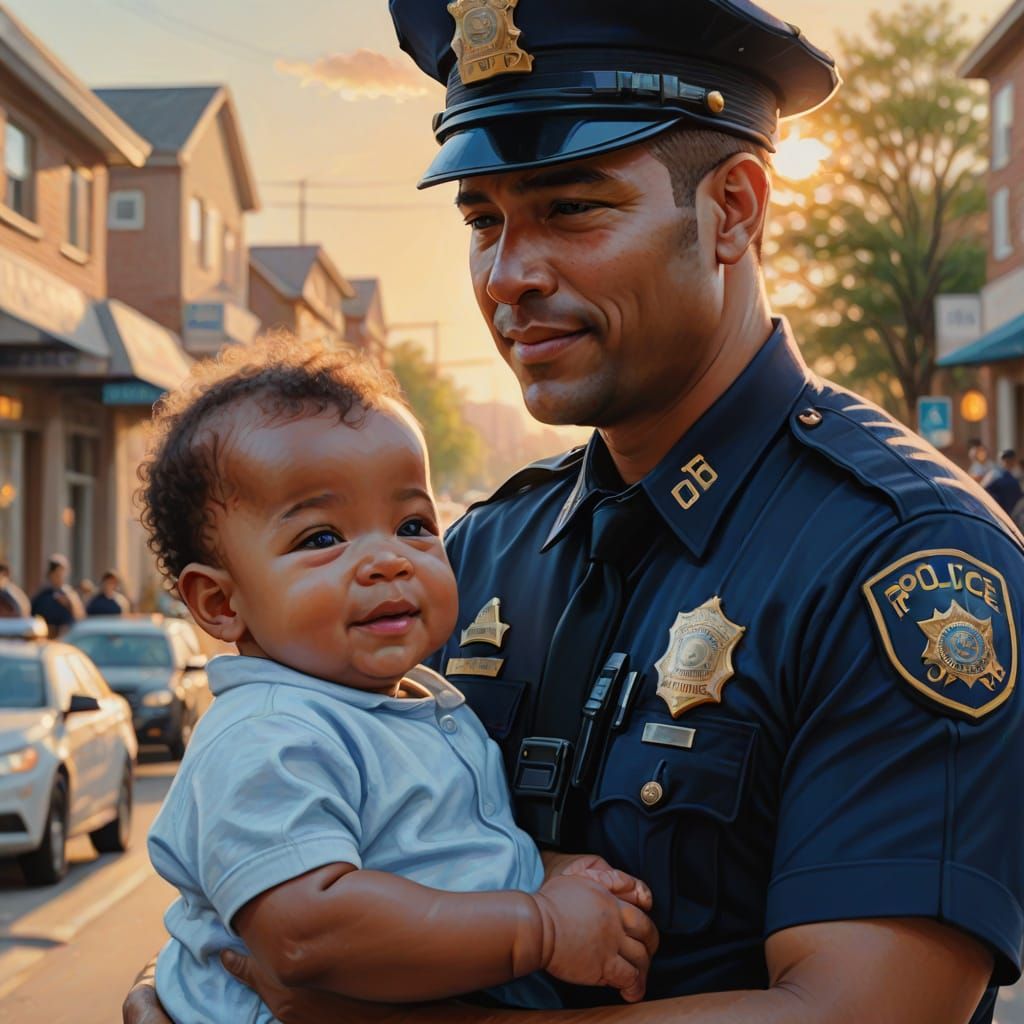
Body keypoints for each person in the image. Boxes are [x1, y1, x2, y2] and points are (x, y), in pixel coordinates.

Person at [126, 1, 1024, 1022]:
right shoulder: (483, 550)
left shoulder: (898, 557)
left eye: (571, 209)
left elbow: (866, 1013)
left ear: (732, 210)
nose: (509, 275)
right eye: (481, 221)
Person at [136, 337, 656, 1024]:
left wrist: (544, 870)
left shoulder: (422, 704)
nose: (386, 559)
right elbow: (307, 930)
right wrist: (541, 927)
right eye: (322, 538)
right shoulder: (269, 732)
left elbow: (437, 858)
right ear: (221, 604)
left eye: (413, 524)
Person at [29, 554, 84, 637]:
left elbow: (80, 616)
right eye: (57, 572)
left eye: (62, 572)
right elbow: (32, 616)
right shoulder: (42, 594)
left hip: (65, 636)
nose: (60, 576)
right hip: (46, 636)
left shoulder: (69, 593)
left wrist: (70, 602)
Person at [982, 451, 1024, 516]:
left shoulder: (1018, 476)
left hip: (1012, 513)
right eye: (1005, 461)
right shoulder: (995, 475)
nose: (1007, 463)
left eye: (1009, 461)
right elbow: (984, 490)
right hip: (997, 511)